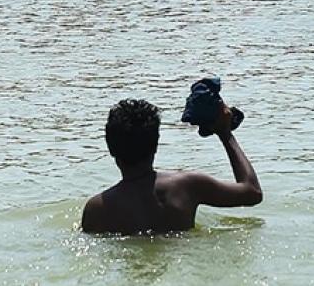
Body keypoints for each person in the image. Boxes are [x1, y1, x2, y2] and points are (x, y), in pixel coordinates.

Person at [81, 99, 262, 235]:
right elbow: (252, 192)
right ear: (156, 144)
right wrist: (225, 133)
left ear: (110, 148)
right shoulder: (187, 186)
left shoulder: (97, 209)